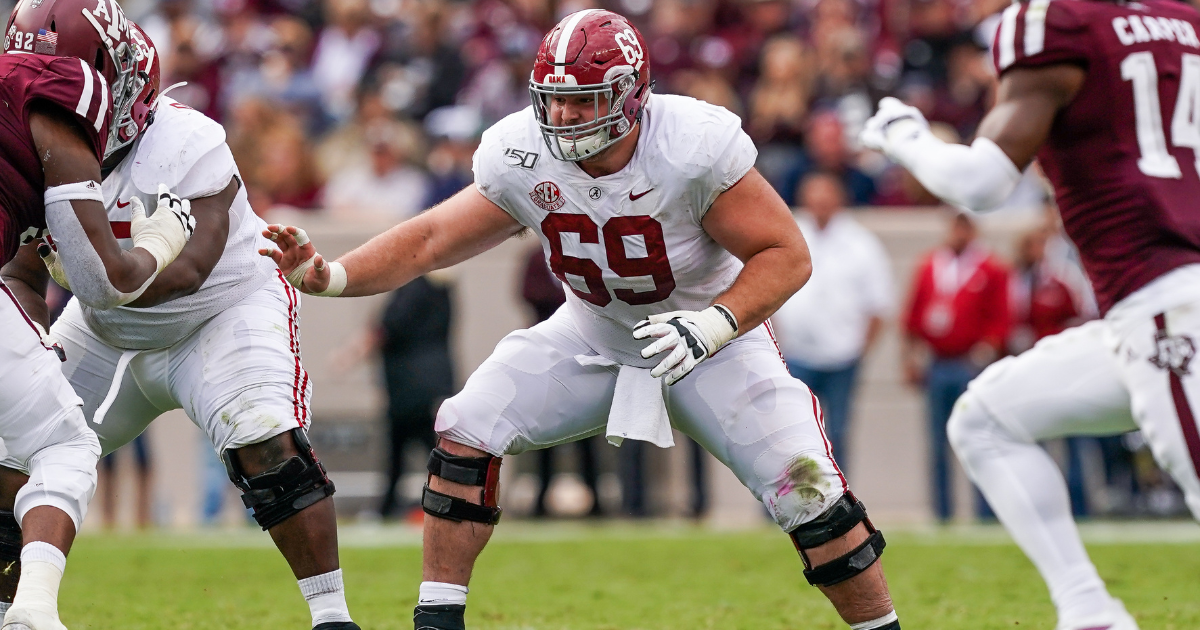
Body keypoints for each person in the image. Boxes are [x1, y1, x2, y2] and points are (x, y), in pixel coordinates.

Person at [263, 10, 901, 630]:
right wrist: (332, 275)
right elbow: (432, 237)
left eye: (584, 99)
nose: (563, 116)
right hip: (592, 333)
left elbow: (786, 254)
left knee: (809, 490)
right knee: (465, 426)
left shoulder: (691, 147)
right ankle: (437, 622)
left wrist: (713, 323)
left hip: (711, 342)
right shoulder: (521, 151)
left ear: (629, 95)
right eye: (554, 98)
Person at [0, 16, 358, 630]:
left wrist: (116, 271)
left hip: (220, 312)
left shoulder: (188, 140)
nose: (43, 93)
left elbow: (190, 269)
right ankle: (16, 608)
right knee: (14, 454)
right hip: (105, 330)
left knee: (266, 440)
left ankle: (331, 616)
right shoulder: (35, 143)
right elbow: (23, 277)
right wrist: (35, 344)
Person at [859, 0, 1200, 625]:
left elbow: (982, 184)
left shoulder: (1057, 20)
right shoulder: (1184, 21)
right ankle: (1090, 613)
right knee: (985, 420)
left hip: (1168, 304)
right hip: (1149, 314)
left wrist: (903, 135)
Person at [0, 1, 195, 628]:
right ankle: (31, 610)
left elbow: (22, 273)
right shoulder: (67, 88)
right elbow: (104, 282)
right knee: (66, 443)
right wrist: (164, 237)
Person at [772, 172, 893, 470]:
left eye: (826, 198)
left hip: (843, 357)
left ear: (839, 200)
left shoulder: (861, 243)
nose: (820, 205)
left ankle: (839, 506)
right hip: (797, 355)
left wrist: (859, 352)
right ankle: (788, 503)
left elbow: (878, 306)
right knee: (790, 431)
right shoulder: (790, 235)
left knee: (837, 433)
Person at [901, 211, 1009, 521]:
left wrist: (984, 352)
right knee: (937, 442)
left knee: (977, 439)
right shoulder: (931, 264)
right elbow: (912, 315)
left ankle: (984, 513)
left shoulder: (990, 268)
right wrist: (910, 357)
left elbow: (1001, 319)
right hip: (937, 362)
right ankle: (942, 512)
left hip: (969, 364)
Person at [518, 247, 603, 518]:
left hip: (584, 354)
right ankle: (542, 496)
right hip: (549, 357)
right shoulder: (535, 257)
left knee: (588, 432)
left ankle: (595, 497)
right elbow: (528, 292)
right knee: (546, 431)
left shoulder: (586, 252)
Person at [378, 275, 454, 520]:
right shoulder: (443, 292)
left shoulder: (414, 289)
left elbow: (391, 325)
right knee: (429, 448)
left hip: (411, 386)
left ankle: (390, 507)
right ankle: (446, 499)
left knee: (403, 449)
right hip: (431, 382)